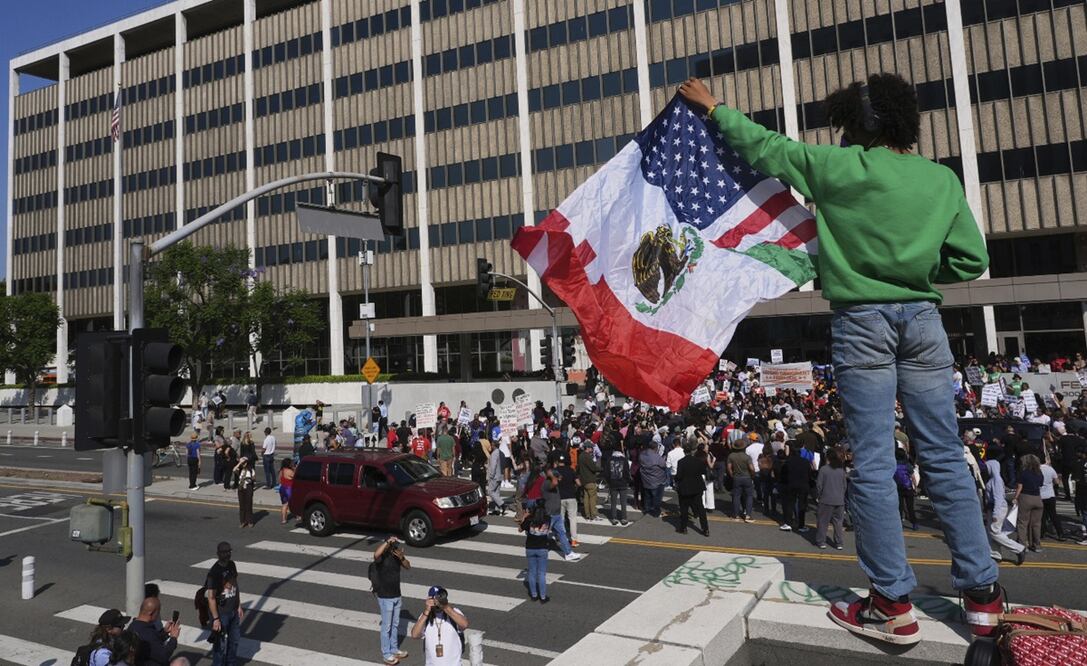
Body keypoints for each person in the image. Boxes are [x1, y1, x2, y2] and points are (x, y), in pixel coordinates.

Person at [679, 72, 1002, 645]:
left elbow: (765, 146)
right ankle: (983, 598)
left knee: (875, 466)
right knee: (947, 458)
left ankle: (890, 604)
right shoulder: (941, 179)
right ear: (909, 122)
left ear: (856, 123)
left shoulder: (836, 167)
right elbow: (970, 260)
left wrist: (713, 108)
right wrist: (920, 275)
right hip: (924, 323)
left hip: (861, 324)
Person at [373, 535, 411, 665]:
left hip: (396, 595)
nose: (396, 547)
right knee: (387, 627)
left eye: (396, 544)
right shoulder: (382, 557)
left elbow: (408, 566)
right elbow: (375, 554)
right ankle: (386, 654)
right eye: (393, 544)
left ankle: (394, 649)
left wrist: (402, 558)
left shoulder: (397, 556)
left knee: (395, 625)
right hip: (385, 597)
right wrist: (386, 542)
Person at [409, 586, 469, 666]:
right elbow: (414, 635)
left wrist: (445, 607)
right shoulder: (426, 616)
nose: (437, 601)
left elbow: (464, 624)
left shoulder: (453, 612)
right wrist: (427, 611)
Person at [205, 541, 243, 666]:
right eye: (224, 552)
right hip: (221, 615)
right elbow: (211, 597)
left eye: (228, 552)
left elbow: (236, 586)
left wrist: (239, 605)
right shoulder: (214, 572)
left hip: (233, 611)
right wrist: (216, 619)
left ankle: (231, 663)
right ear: (218, 554)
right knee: (220, 645)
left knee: (234, 641)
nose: (227, 554)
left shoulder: (232, 565)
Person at [542, 461, 581, 561]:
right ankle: (538, 550)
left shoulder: (554, 483)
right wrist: (551, 473)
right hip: (550, 513)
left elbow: (558, 479)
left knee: (562, 533)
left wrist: (557, 475)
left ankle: (568, 553)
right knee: (543, 534)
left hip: (556, 514)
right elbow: (555, 481)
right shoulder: (546, 484)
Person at [127, 596, 180, 665]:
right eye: (158, 612)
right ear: (151, 613)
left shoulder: (133, 625)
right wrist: (173, 638)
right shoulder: (148, 633)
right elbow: (163, 656)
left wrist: (164, 632)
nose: (158, 615)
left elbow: (152, 643)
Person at [815, 448, 848, 550]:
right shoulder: (841, 470)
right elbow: (844, 486)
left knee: (823, 522)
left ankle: (821, 541)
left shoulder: (824, 469)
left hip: (826, 499)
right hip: (839, 500)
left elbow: (819, 485)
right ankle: (839, 543)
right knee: (838, 523)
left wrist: (819, 496)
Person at [674, 445, 710, 536]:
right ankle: (705, 529)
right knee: (701, 508)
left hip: (685, 487)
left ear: (684, 452)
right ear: (692, 452)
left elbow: (679, 476)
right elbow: (703, 471)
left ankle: (683, 527)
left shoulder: (681, 462)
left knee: (684, 508)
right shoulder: (698, 461)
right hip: (697, 486)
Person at [519, 505, 552, 602]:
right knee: (542, 574)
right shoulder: (548, 519)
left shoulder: (529, 520)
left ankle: (533, 595)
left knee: (532, 572)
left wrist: (525, 517)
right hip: (542, 548)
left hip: (530, 548)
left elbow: (520, 530)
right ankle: (543, 596)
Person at [1013, 454, 1044, 552]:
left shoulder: (1023, 473)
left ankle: (1022, 545)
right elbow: (1040, 485)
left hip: (1025, 497)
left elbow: (1020, 487)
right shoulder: (1039, 473)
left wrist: (1015, 498)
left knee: (1022, 523)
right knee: (1036, 524)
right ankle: (1036, 544)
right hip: (1038, 498)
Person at [727, 439, 756, 522]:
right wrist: (752, 475)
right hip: (747, 477)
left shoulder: (731, 456)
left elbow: (729, 468)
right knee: (749, 496)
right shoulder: (747, 457)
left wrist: (732, 475)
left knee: (736, 496)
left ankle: (736, 515)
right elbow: (751, 468)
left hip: (736, 477)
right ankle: (748, 515)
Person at [604, 443, 631, 526]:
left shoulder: (609, 459)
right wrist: (627, 481)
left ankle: (614, 518)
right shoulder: (624, 459)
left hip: (613, 483)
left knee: (613, 501)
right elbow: (626, 472)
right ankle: (624, 518)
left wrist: (608, 482)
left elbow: (607, 473)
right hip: (622, 483)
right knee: (623, 502)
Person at [638, 442, 668, 518]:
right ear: (656, 448)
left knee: (647, 495)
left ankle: (647, 509)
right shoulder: (657, 457)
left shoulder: (642, 455)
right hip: (657, 480)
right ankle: (655, 512)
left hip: (646, 479)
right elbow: (664, 465)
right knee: (657, 498)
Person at [1039, 458, 1065, 541]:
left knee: (1042, 516)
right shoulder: (1050, 469)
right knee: (1053, 515)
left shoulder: (1036, 469)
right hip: (1050, 495)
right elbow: (1057, 481)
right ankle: (1060, 533)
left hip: (1040, 496)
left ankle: (1042, 533)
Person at [576, 441, 602, 521]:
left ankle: (587, 514)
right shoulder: (587, 456)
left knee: (586, 498)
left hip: (583, 479)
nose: (592, 449)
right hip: (590, 479)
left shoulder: (580, 456)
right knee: (592, 498)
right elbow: (593, 468)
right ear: (587, 448)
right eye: (591, 447)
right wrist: (601, 469)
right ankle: (593, 515)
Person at [894, 448, 918, 530]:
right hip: (908, 487)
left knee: (899, 507)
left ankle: (900, 523)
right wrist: (915, 487)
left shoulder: (894, 465)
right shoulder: (907, 465)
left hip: (898, 487)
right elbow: (913, 477)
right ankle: (914, 523)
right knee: (910, 507)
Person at [233, 457, 255, 528]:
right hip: (241, 487)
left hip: (248, 487)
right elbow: (234, 470)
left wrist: (249, 479)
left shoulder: (251, 469)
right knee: (242, 505)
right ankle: (243, 521)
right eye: (242, 463)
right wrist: (239, 463)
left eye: (244, 462)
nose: (243, 464)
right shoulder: (240, 469)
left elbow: (254, 478)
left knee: (248, 504)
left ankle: (250, 521)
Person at [279, 459, 295, 525]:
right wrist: (294, 469)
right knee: (293, 503)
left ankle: (283, 519)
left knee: (284, 504)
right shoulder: (290, 471)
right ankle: (298, 516)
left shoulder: (281, 471)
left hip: (282, 488)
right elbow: (296, 477)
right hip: (289, 488)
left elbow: (280, 480)